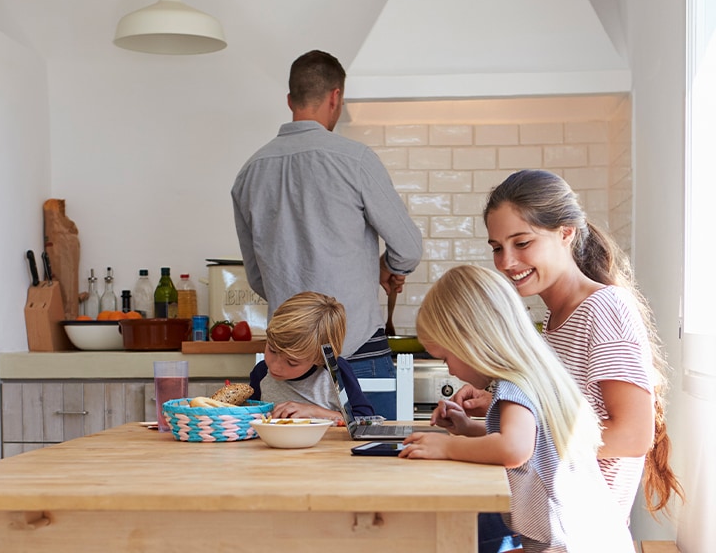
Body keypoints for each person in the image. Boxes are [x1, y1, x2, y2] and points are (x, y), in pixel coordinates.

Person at [451, 169, 683, 520]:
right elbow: (568, 420)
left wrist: (522, 439)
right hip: (550, 525)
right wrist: (495, 416)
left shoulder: (604, 309)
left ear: (565, 233)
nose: (506, 262)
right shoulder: (556, 320)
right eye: (498, 248)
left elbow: (632, 435)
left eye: (522, 243)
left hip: (581, 533)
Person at [232, 49, 422, 421]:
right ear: (336, 97)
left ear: (290, 100)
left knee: (281, 469)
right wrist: (384, 267)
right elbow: (409, 250)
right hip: (357, 354)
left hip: (285, 365)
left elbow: (258, 279)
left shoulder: (249, 173)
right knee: (369, 463)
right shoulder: (355, 159)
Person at [401, 265, 635, 553]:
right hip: (589, 538)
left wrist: (447, 447)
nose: (448, 367)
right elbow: (535, 440)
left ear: (472, 342)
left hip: (567, 545)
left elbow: (514, 449)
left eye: (446, 356)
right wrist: (468, 428)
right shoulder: (535, 373)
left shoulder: (514, 384)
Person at [247, 291, 372, 421]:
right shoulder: (261, 373)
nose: (275, 367)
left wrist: (315, 411)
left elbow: (365, 420)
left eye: (292, 362)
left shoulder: (334, 372)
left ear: (319, 359)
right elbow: (248, 417)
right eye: (272, 350)